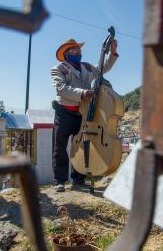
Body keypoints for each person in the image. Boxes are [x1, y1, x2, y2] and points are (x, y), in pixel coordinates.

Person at [51, 38, 119, 192]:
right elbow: (61, 89)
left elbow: (104, 68)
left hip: (83, 113)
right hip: (64, 112)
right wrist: (83, 93)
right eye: (74, 49)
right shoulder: (58, 69)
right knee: (60, 147)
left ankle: (78, 180)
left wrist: (112, 53)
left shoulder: (87, 67)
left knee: (82, 146)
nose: (78, 52)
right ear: (66, 53)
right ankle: (59, 181)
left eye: (79, 49)